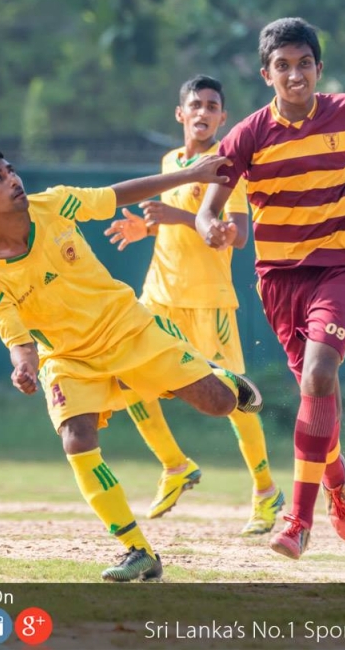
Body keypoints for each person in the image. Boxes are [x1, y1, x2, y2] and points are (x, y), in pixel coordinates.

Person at [0, 148, 264, 582]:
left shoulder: (55, 203)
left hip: (127, 328)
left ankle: (222, 379)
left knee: (219, 404)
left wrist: (191, 175)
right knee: (76, 439)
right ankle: (138, 550)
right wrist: (23, 367)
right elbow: (19, 341)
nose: (12, 180)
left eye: (10, 171)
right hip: (69, 359)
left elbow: (118, 195)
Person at [195, 17, 345, 559]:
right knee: (317, 395)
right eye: (283, 66)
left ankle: (297, 521)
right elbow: (207, 211)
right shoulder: (247, 135)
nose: (296, 75)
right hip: (278, 280)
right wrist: (212, 229)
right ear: (266, 75)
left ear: (320, 67)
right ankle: (335, 480)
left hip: (338, 267)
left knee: (318, 376)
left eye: (305, 64)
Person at [103, 75, 283, 535]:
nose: (203, 112)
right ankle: (175, 465)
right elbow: (170, 224)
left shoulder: (226, 166)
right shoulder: (171, 161)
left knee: (236, 399)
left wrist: (180, 217)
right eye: (196, 104)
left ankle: (266, 491)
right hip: (158, 296)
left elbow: (237, 236)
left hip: (207, 302)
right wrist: (147, 228)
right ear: (180, 114)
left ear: (223, 117)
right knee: (128, 378)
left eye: (212, 106)